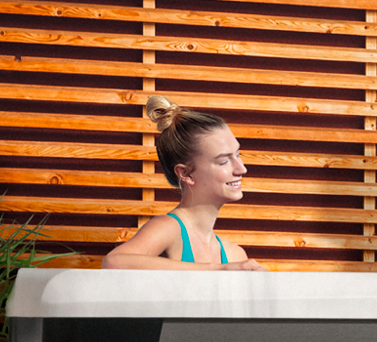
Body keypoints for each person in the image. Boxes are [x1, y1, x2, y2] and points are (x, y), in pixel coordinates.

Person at [103, 96, 267, 271]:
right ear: (186, 174)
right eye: (223, 161)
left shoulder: (235, 254)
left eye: (238, 155)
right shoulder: (168, 228)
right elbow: (114, 262)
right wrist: (218, 271)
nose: (242, 169)